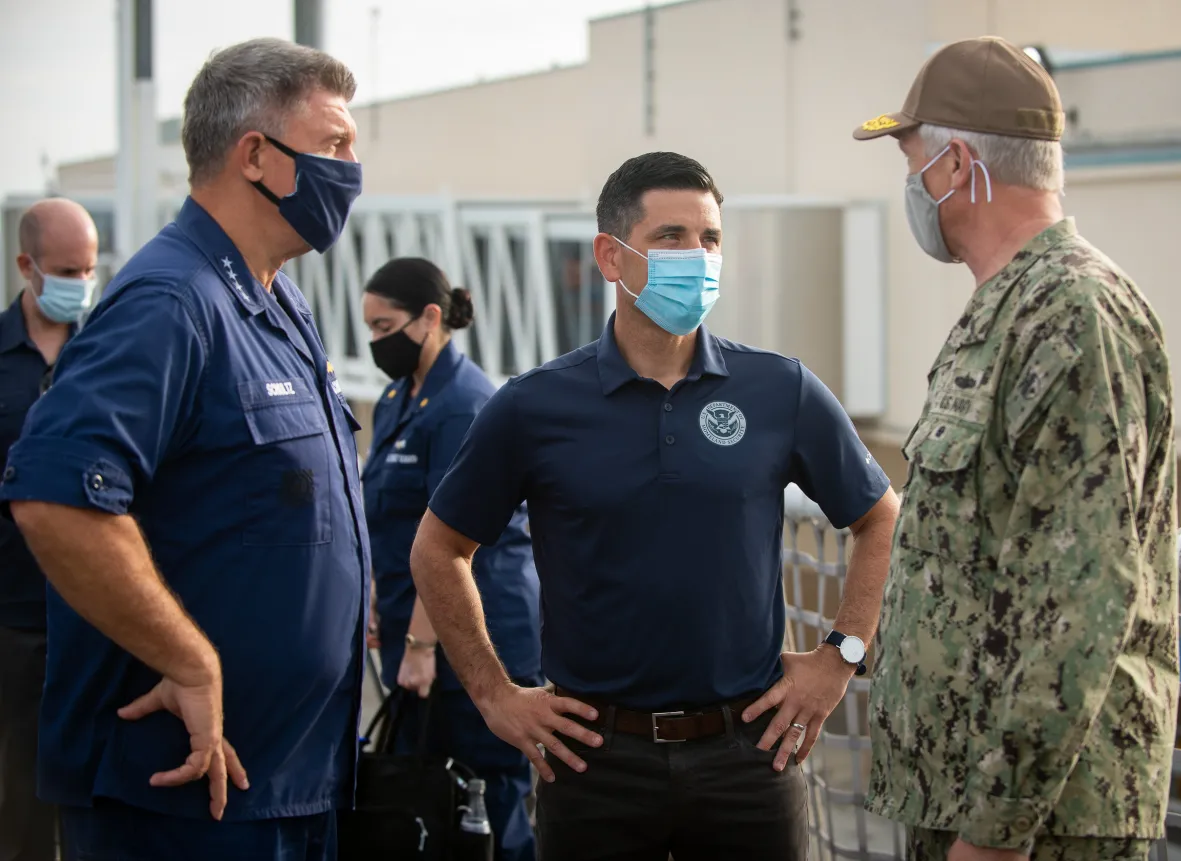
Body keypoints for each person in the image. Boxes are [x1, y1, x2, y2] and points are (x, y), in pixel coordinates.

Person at [409, 150, 901, 860]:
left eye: (710, 239)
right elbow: (439, 548)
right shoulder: (534, 405)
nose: (697, 257)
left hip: (749, 756)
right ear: (612, 256)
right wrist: (494, 694)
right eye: (672, 237)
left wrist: (840, 657)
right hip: (593, 761)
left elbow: (878, 515)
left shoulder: (778, 388)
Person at [0, 38, 369, 861]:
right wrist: (188, 658)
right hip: (177, 798)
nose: (353, 167)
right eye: (336, 144)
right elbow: (57, 496)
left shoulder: (280, 304)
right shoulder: (173, 299)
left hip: (277, 782)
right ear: (255, 157)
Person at [852, 36, 1177, 861]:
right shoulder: (1011, 307)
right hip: (975, 807)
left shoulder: (1073, 315)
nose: (913, 188)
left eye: (915, 161)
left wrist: (994, 835)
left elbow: (1081, 599)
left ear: (959, 164)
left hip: (1042, 829)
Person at [360, 257, 542, 861]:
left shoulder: (465, 405)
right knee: (428, 801)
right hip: (414, 636)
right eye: (372, 330)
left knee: (482, 804)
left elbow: (455, 542)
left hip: (468, 640)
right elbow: (386, 518)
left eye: (386, 328)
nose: (377, 343)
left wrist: (420, 644)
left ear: (430, 318)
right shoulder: (396, 397)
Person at [0, 198, 98, 861]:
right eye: (66, 269)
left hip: (95, 607)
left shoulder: (105, 350)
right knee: (20, 785)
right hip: (13, 609)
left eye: (89, 269)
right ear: (26, 267)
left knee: (89, 776)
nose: (79, 283)